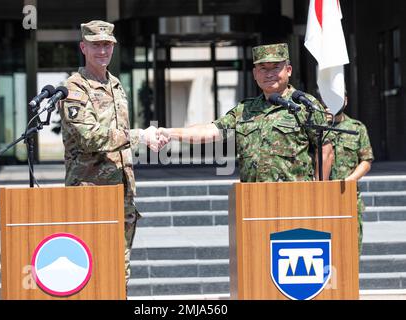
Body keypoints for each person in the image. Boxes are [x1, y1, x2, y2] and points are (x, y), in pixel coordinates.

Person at [58, 20, 161, 289]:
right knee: (88, 268)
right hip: (90, 193)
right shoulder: (74, 88)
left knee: (119, 269)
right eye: (96, 45)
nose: (102, 50)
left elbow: (119, 136)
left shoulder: (115, 84)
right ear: (83, 47)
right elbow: (90, 137)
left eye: (107, 45)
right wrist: (140, 136)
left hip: (121, 193)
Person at [157, 43, 333, 182]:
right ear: (255, 74)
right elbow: (211, 131)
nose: (269, 73)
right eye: (263, 68)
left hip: (295, 199)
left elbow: (325, 149)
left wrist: (317, 191)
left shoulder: (304, 105)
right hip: (253, 201)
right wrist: (170, 132)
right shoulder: (245, 110)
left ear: (288, 71)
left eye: (275, 67)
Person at [325, 94, 374, 254]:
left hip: (348, 195)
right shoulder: (316, 129)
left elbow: (366, 160)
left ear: (345, 100)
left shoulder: (356, 127)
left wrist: (349, 180)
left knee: (351, 250)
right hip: (322, 197)